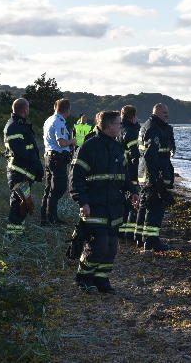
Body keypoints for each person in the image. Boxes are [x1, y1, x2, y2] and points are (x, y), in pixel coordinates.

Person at [70, 111, 139, 293]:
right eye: (117, 124)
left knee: (111, 247)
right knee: (98, 245)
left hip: (114, 206)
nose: (120, 127)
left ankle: (101, 279)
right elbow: (76, 178)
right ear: (108, 126)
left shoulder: (117, 148)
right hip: (94, 205)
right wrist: (82, 202)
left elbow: (125, 176)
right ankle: (84, 278)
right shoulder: (88, 147)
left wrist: (132, 192)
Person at [136, 103, 176, 251]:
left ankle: (140, 237)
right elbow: (150, 156)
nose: (167, 115)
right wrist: (155, 179)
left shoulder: (151, 126)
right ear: (156, 112)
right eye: (164, 112)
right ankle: (151, 241)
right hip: (153, 175)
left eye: (167, 112)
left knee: (145, 207)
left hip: (146, 174)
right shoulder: (154, 128)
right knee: (155, 209)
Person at [3, 98, 44, 237]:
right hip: (19, 174)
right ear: (25, 109)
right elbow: (21, 153)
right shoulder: (14, 126)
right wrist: (36, 165)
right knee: (19, 205)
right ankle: (13, 237)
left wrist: (37, 169)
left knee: (23, 205)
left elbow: (30, 151)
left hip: (25, 174)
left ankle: (17, 233)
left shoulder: (20, 125)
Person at [41, 98, 76, 226]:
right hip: (57, 159)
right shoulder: (59, 122)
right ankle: (52, 218)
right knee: (58, 189)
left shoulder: (48, 120)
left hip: (49, 157)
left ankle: (45, 217)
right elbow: (61, 142)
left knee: (49, 189)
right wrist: (72, 141)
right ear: (67, 110)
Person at [117, 105, 140, 242]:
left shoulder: (119, 129)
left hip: (119, 171)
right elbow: (135, 156)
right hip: (131, 172)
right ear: (133, 116)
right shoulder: (131, 132)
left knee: (124, 204)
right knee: (132, 203)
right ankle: (128, 234)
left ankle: (121, 232)